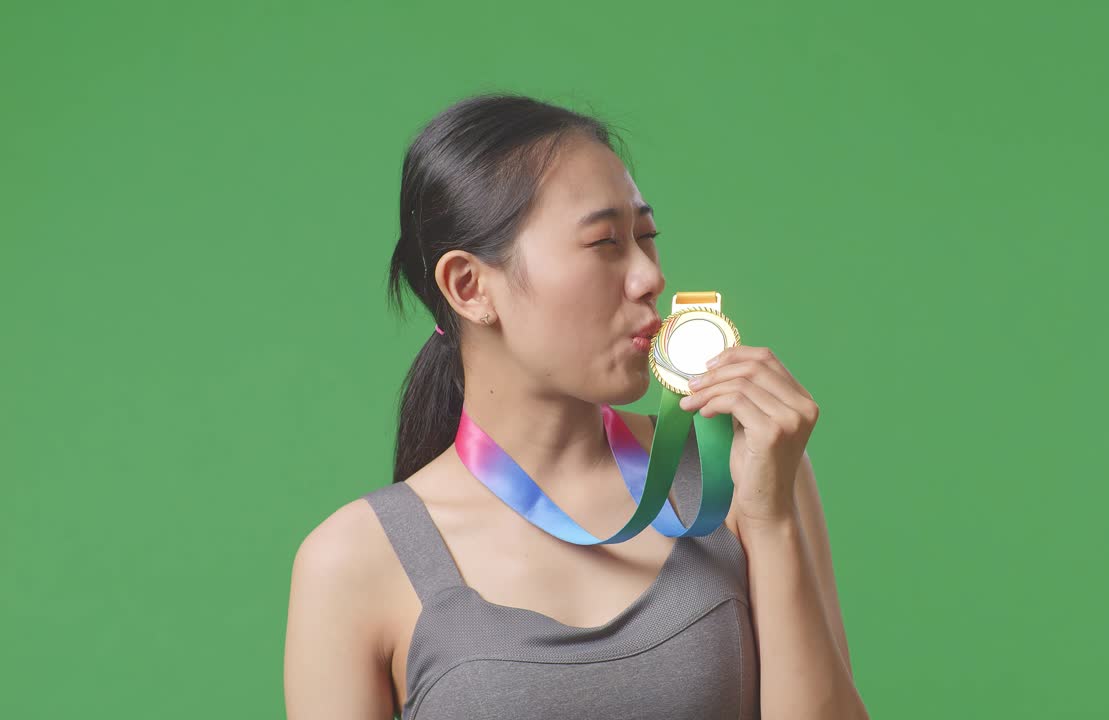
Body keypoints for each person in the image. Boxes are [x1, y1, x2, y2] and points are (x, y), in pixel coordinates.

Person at [283, 92, 867, 719]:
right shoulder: (353, 560)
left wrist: (770, 521)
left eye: (647, 238)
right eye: (605, 243)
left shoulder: (747, 473)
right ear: (469, 286)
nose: (649, 278)